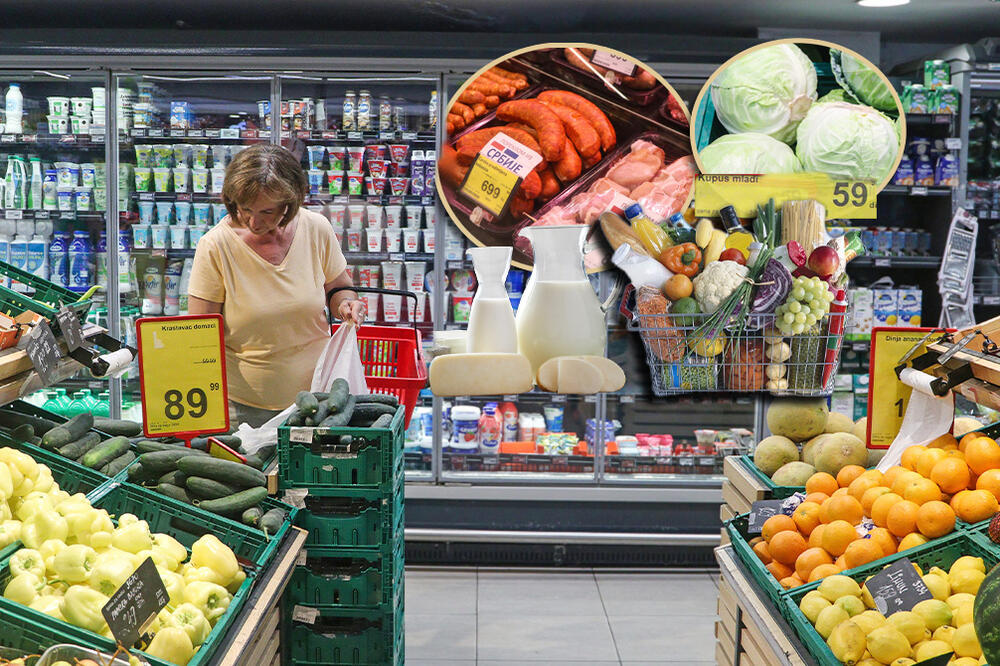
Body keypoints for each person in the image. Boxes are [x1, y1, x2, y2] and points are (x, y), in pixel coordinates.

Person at [187, 144, 365, 428]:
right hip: (244, 412)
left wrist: (345, 304)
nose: (254, 222)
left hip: (319, 402)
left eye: (267, 212)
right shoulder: (215, 246)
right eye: (245, 209)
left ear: (290, 203)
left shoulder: (316, 229)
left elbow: (338, 287)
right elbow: (198, 333)